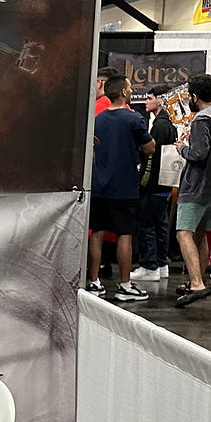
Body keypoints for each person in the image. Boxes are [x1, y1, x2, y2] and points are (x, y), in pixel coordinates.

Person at [87, 76, 156, 302]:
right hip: (124, 186)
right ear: (124, 92)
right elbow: (150, 148)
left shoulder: (97, 120)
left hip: (99, 186)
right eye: (130, 87)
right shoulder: (133, 118)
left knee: (97, 233)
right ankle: (125, 285)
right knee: (124, 234)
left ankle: (94, 282)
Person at [173, 74, 211, 307]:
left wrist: (182, 148)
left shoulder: (200, 120)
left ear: (194, 97)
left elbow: (198, 153)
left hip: (196, 184)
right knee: (202, 232)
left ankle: (196, 283)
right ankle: (200, 279)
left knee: (183, 232)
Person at [132, 90, 178, 282]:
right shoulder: (170, 124)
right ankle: (161, 264)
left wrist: (144, 182)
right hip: (165, 183)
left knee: (147, 224)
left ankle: (149, 265)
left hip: (154, 183)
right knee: (161, 224)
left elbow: (151, 156)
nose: (146, 101)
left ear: (161, 101)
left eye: (150, 98)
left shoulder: (159, 125)